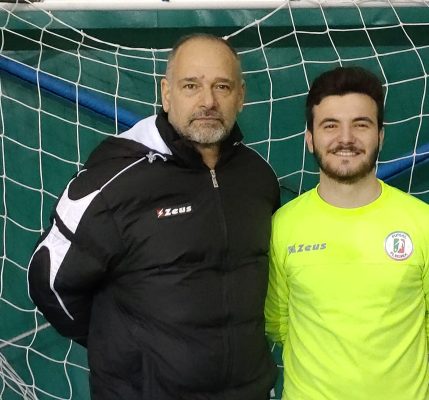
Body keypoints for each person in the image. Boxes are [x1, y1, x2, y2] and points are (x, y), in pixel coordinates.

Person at [28, 34, 279, 400]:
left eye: (221, 86)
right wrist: (126, 352)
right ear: (166, 92)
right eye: (191, 85)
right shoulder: (115, 176)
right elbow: (49, 280)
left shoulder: (258, 177)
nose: (207, 101)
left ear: (240, 96)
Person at [265, 66, 429, 400]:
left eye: (361, 124)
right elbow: (277, 320)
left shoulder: (426, 224)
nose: (346, 138)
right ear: (310, 138)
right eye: (330, 125)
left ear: (380, 136)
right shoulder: (282, 227)